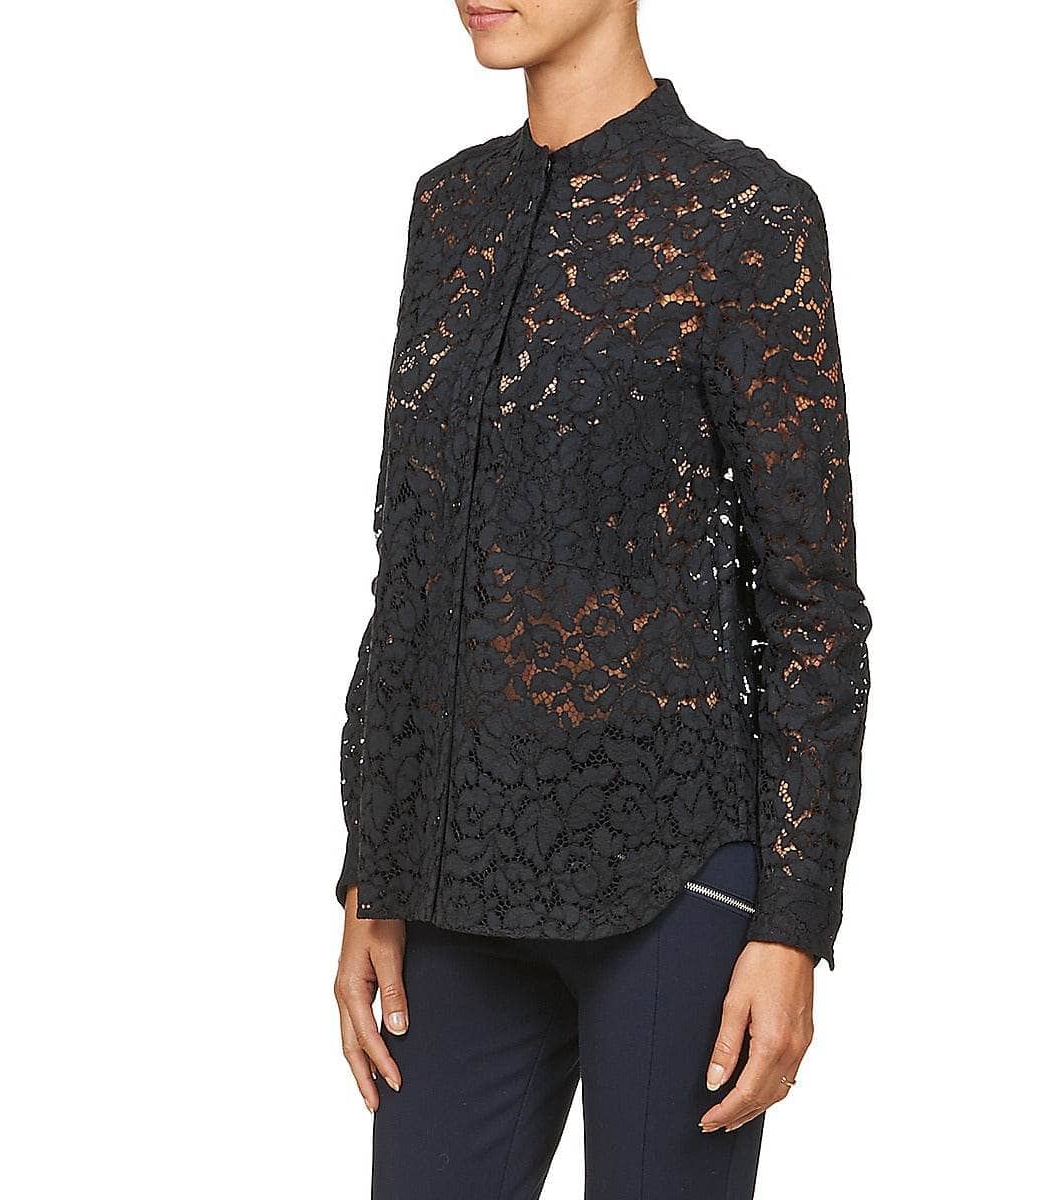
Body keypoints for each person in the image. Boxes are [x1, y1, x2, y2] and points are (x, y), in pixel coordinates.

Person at [333, 3, 871, 1196]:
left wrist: (792, 925)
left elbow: (813, 610)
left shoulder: (746, 217)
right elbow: (412, 568)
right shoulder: (450, 210)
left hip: (676, 882)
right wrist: (373, 869)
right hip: (454, 881)